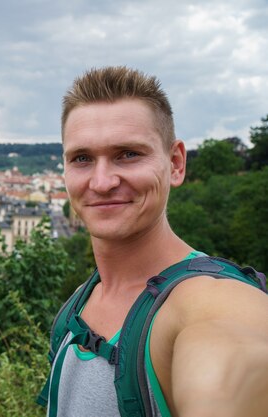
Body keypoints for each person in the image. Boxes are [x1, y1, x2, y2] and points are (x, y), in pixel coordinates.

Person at [39, 66, 268, 416]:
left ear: (175, 163)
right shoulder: (77, 306)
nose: (101, 182)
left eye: (128, 154)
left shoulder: (206, 300)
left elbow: (235, 353)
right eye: (82, 158)